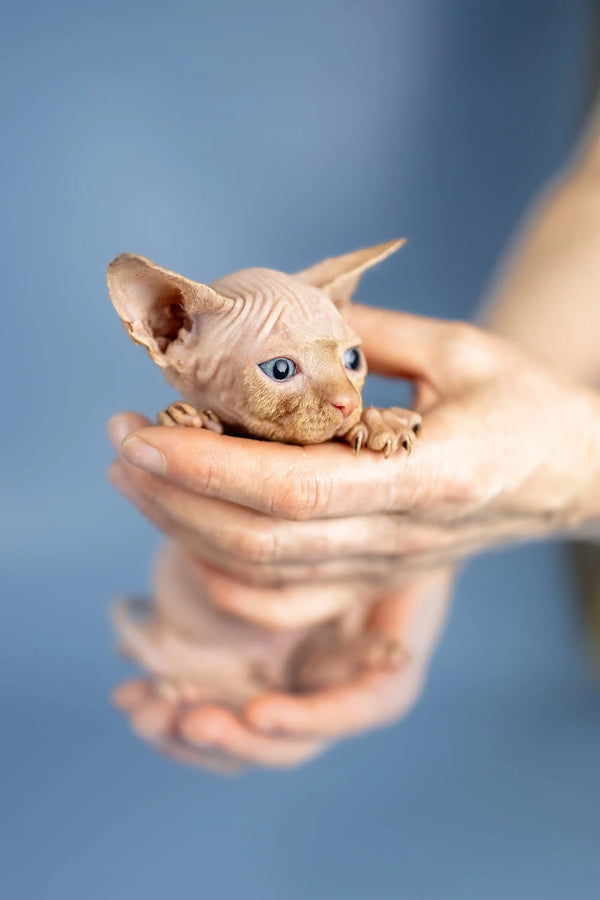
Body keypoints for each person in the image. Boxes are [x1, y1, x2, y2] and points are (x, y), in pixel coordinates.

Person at [106, 111, 600, 770]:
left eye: (351, 360)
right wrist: (505, 442)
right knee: (210, 644)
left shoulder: (334, 403)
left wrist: (571, 464)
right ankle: (218, 665)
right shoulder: (197, 372)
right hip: (217, 631)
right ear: (171, 331)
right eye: (281, 371)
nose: (344, 398)